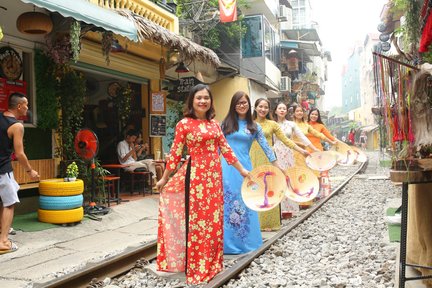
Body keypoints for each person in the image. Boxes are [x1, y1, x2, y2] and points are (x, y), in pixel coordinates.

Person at [155, 84, 249, 284]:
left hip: (214, 177)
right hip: (196, 177)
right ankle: (198, 265)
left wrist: (242, 170)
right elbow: (175, 153)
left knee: (214, 220)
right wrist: (164, 178)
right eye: (199, 98)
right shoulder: (184, 124)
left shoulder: (215, 125)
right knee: (198, 221)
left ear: (210, 102)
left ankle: (213, 263)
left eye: (206, 98)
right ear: (192, 101)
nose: (203, 101)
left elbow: (226, 149)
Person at [221, 91, 280, 254]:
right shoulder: (224, 124)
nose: (242, 105)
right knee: (227, 204)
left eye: (244, 103)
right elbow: (215, 146)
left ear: (249, 106)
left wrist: (277, 165)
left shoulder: (254, 127)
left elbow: (266, 148)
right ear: (233, 105)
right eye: (238, 103)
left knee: (246, 201)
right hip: (226, 169)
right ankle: (227, 244)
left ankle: (247, 242)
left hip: (246, 169)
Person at [250, 98, 310, 231]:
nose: (263, 109)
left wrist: (302, 151)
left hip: (268, 158)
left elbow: (286, 140)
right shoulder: (249, 124)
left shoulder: (272, 124)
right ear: (255, 108)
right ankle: (255, 223)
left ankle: (269, 223)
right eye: (260, 106)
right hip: (252, 157)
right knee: (254, 187)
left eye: (266, 107)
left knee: (268, 187)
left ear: (269, 110)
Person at [0, 92, 39, 254]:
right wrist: (30, 171)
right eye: (26, 104)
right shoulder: (17, 126)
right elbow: (20, 153)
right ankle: (3, 241)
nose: (27, 108)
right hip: (3, 169)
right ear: (19, 106)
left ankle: (2, 231)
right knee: (9, 204)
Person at [273, 102, 320, 216]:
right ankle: (277, 209)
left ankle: (289, 209)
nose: (282, 110)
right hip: (276, 152)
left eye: (284, 108)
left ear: (287, 111)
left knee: (289, 178)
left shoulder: (291, 124)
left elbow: (303, 138)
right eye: (280, 108)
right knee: (278, 178)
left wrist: (314, 149)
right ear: (275, 111)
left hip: (289, 153)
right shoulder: (272, 124)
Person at [307, 108, 338, 198]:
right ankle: (309, 191)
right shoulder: (305, 124)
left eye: (316, 115)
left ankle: (319, 191)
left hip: (317, 151)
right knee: (310, 172)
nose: (314, 116)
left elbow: (329, 136)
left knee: (319, 172)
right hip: (307, 151)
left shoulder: (320, 126)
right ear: (309, 114)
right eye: (312, 114)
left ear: (318, 116)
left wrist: (336, 141)